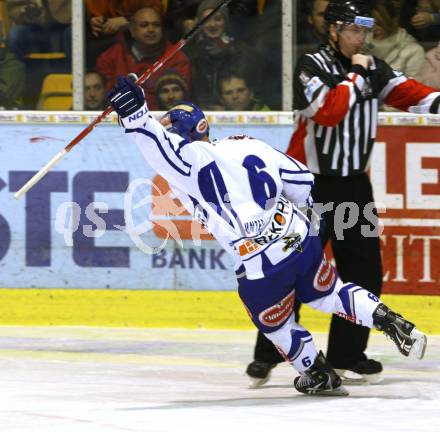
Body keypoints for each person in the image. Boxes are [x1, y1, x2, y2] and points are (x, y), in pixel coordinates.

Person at [106, 75, 427, 396]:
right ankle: (391, 321)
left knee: (272, 322)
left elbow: (158, 148)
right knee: (329, 294)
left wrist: (136, 117)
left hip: (261, 262)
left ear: (182, 134)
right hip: (299, 236)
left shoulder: (190, 161)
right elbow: (302, 183)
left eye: (171, 129)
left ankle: (316, 372)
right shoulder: (246, 144)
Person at [247, 0, 440, 387]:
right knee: (293, 269)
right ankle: (270, 352)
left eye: (364, 31)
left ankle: (347, 354)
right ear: (333, 30)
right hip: (311, 187)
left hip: (353, 187)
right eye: (353, 30)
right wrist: (355, 73)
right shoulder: (312, 65)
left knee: (364, 270)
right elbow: (329, 111)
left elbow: (412, 93)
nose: (361, 38)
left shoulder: (373, 67)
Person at [96, 6, 191, 110]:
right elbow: (106, 98)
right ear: (132, 30)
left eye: (156, 25)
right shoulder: (110, 58)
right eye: (144, 25)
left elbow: (179, 100)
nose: (151, 30)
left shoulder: (177, 58)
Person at [186, 0, 259, 110]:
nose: (212, 24)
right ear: (199, 24)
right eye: (206, 20)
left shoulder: (243, 52)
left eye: (217, 19)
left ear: (225, 21)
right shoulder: (191, 53)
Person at [369, 0, 425, 79]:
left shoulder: (414, 51)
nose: (374, 28)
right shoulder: (360, 44)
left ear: (394, 20)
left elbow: (414, 87)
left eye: (380, 24)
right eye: (370, 23)